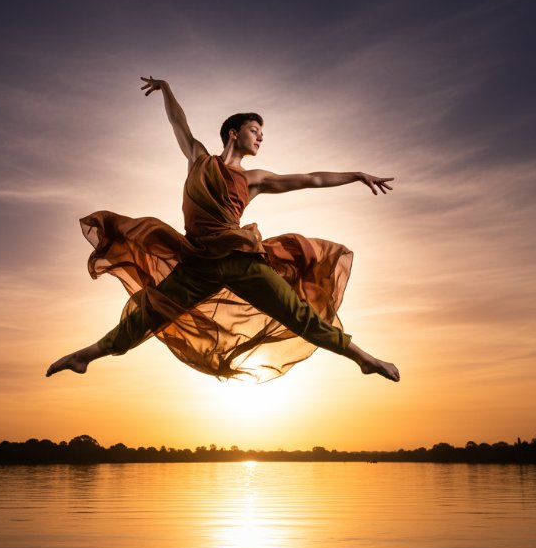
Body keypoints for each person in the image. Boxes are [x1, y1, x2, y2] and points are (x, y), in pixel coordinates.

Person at [47, 77, 400, 383]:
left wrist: (355, 175)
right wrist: (167, 89)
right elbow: (178, 124)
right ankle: (84, 357)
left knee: (299, 314)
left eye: (262, 133)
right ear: (234, 133)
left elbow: (310, 179)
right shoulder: (199, 159)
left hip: (241, 260)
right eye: (254, 131)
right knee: (149, 315)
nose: (260, 138)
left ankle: (364, 360)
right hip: (197, 262)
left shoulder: (254, 179)